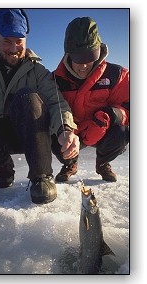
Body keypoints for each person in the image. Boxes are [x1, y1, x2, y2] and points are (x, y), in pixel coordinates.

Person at [0, 9, 79, 204]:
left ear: (26, 39)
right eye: (7, 41)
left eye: (19, 41)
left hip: (34, 134)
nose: (14, 48)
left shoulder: (38, 71)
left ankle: (41, 177)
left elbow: (56, 103)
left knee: (27, 97)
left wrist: (66, 129)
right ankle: (4, 172)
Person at [52, 16, 129, 182]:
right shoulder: (54, 79)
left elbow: (129, 107)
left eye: (90, 56)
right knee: (50, 134)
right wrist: (65, 132)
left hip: (101, 131)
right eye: (78, 58)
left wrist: (110, 115)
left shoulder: (117, 75)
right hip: (71, 134)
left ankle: (103, 163)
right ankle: (70, 164)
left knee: (122, 133)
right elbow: (52, 108)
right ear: (68, 54)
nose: (84, 65)